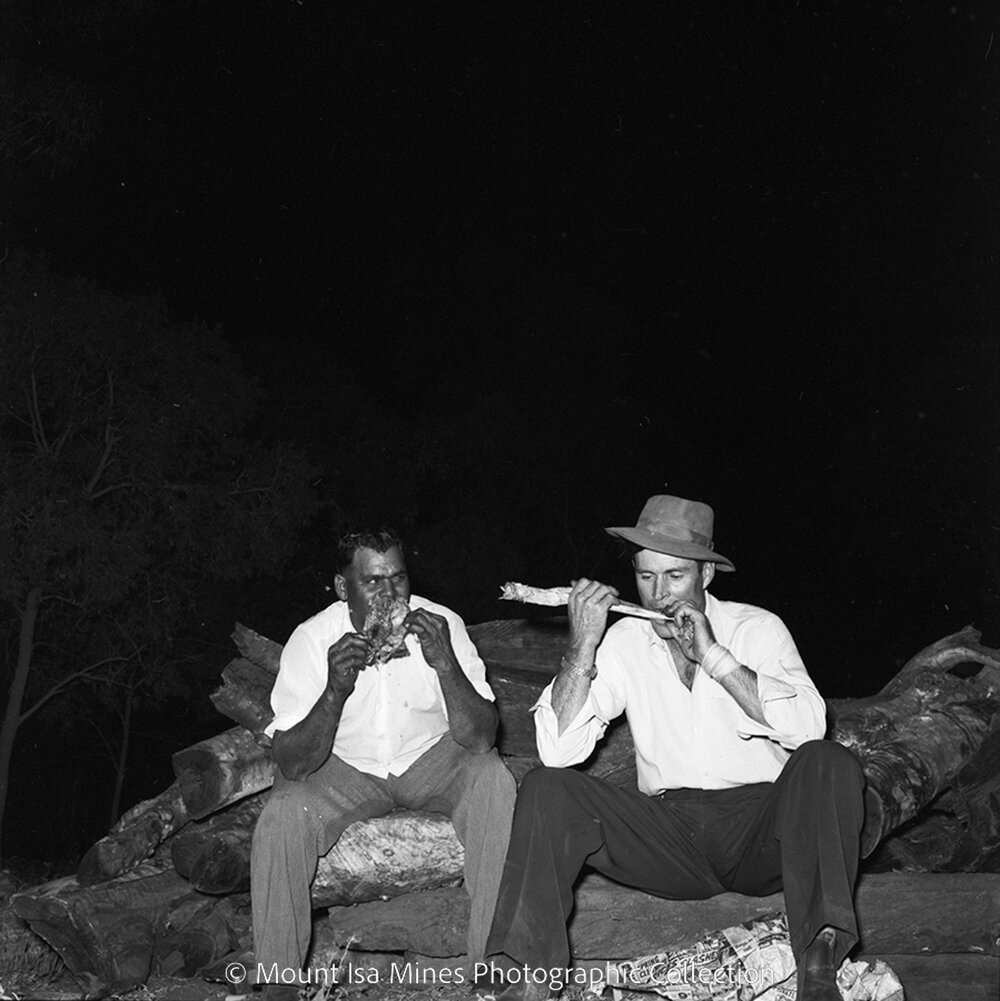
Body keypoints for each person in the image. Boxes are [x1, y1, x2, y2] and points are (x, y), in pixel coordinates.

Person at [481, 496, 865, 1001]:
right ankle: (526, 976)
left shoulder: (756, 628)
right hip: (670, 837)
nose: (658, 594)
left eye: (675, 576)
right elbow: (557, 751)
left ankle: (818, 967)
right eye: (646, 576)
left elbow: (809, 728)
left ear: (706, 574)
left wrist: (713, 656)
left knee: (828, 761)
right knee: (547, 788)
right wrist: (582, 644)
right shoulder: (625, 640)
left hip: (762, 833)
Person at [251, 528, 516, 1000]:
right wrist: (334, 690)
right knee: (283, 812)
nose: (390, 595)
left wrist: (445, 663)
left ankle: (494, 964)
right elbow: (292, 763)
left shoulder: (442, 624)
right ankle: (278, 983)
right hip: (345, 766)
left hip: (431, 756)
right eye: (373, 582)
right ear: (342, 587)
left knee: (493, 779)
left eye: (398, 578)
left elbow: (480, 738)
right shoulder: (312, 639)